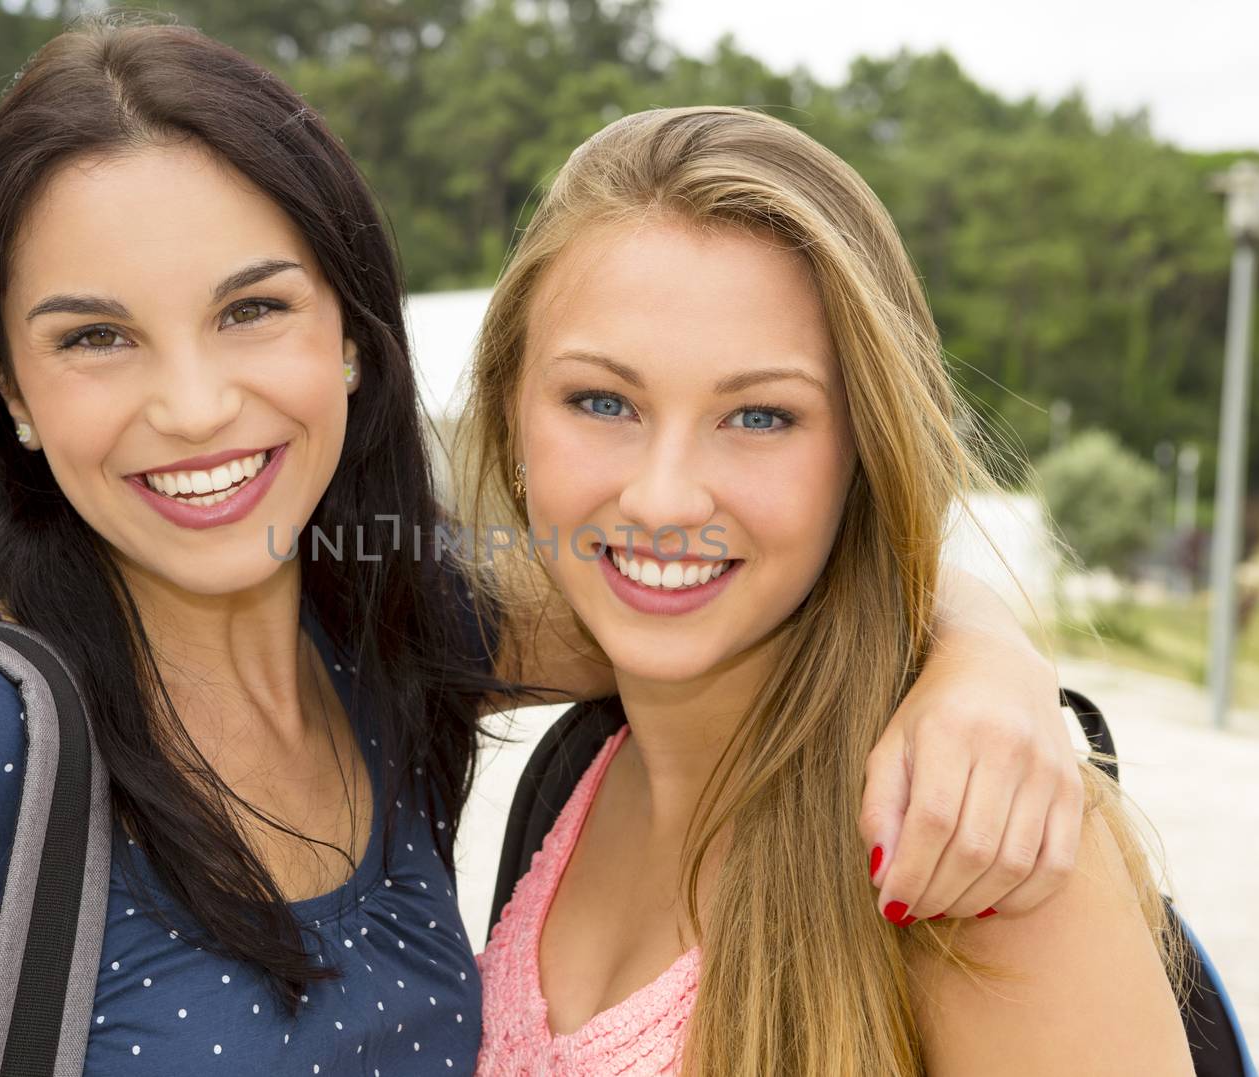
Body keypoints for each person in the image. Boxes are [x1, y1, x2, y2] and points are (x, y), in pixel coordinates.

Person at [0, 22, 1081, 1075]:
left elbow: (738, 572)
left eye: (252, 312)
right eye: (95, 337)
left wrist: (988, 664)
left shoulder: (396, 645)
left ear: (350, 337)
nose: (191, 405)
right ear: (8, 386)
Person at [467, 106, 1193, 1075]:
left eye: (760, 415)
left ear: (862, 449)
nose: (664, 496)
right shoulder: (582, 766)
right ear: (509, 408)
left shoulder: (983, 839)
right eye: (602, 402)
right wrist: (979, 634)